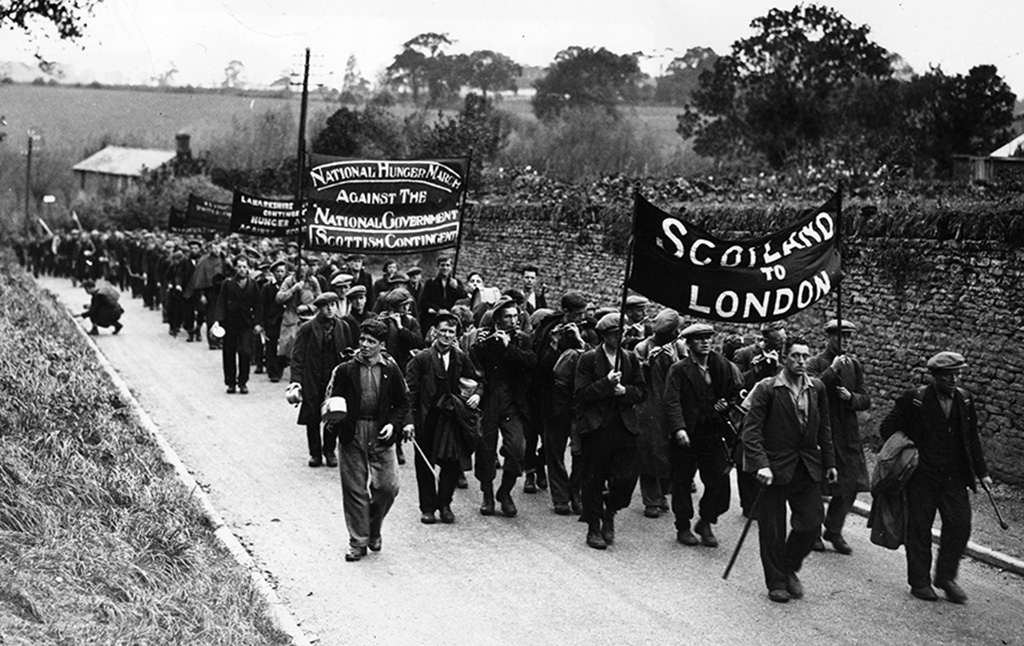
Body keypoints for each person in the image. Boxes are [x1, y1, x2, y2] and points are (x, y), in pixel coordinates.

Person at [879, 351, 992, 604]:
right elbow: (886, 427)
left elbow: (971, 436)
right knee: (919, 528)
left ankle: (946, 577)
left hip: (954, 477)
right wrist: (910, 449)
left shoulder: (964, 400)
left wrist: (982, 472)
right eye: (948, 375)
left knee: (960, 525)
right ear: (935, 376)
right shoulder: (915, 400)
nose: (954, 380)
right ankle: (920, 582)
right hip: (922, 477)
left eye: (958, 374)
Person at [741, 336, 836, 603]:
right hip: (774, 467)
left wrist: (829, 463)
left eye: (805, 356)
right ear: (784, 359)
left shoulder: (816, 388)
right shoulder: (768, 388)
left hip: (806, 466)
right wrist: (761, 465)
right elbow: (751, 432)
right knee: (772, 528)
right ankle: (777, 581)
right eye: (795, 356)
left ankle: (789, 566)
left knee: (811, 522)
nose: (801, 361)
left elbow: (824, 428)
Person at [323, 318, 410, 562]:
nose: (364, 345)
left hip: (381, 431)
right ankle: (358, 542)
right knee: (354, 489)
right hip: (352, 431)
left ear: (381, 345)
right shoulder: (345, 369)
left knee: (388, 486)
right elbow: (332, 398)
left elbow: (403, 402)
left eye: (371, 341)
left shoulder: (391, 369)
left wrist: (393, 424)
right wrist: (333, 418)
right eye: (362, 339)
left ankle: (373, 529)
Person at [663, 322, 742, 547]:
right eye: (699, 339)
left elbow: (734, 390)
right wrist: (679, 428)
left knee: (720, 481)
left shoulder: (721, 366)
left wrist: (726, 403)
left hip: (712, 432)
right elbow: (671, 401)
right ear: (688, 344)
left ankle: (706, 520)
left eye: (708, 337)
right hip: (687, 435)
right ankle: (683, 526)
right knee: (682, 482)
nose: (706, 342)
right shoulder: (679, 370)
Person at [574, 312, 647, 550]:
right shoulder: (588, 359)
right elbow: (581, 394)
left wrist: (624, 391)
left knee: (626, 479)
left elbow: (642, 391)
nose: (620, 337)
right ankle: (594, 526)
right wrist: (606, 384)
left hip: (624, 426)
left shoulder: (630, 358)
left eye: (622, 333)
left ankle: (611, 509)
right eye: (615, 334)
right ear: (603, 335)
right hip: (597, 428)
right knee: (593, 478)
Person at [404, 311, 481, 525]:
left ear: (456, 335)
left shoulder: (461, 358)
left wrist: (476, 395)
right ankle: (428, 508)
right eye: (443, 331)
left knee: (452, 462)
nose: (447, 335)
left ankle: (445, 504)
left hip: (452, 419)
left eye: (451, 332)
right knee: (424, 463)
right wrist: (409, 421)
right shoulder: (421, 359)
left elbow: (477, 380)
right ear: (434, 332)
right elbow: (409, 393)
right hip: (427, 419)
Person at [805, 318, 872, 554]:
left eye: (849, 337)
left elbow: (865, 398)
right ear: (829, 337)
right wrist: (832, 370)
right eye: (841, 337)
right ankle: (812, 531)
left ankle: (833, 529)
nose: (845, 342)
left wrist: (851, 397)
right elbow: (811, 389)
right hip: (822, 430)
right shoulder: (815, 362)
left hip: (848, 433)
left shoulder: (853, 365)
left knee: (851, 484)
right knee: (816, 484)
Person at [471, 298, 537, 517]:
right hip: (490, 398)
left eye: (515, 316)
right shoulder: (485, 338)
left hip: (513, 401)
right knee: (486, 449)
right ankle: (487, 494)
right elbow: (475, 367)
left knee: (517, 448)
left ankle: (505, 492)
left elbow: (531, 362)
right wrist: (479, 345)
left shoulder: (522, 339)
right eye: (507, 317)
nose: (512, 321)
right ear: (497, 319)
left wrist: (509, 347)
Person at [633, 308, 687, 519]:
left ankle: (662, 493)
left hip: (672, 405)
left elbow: (687, 373)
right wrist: (647, 364)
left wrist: (675, 360)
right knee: (649, 452)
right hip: (649, 406)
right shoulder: (643, 347)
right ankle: (651, 499)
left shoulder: (679, 347)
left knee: (670, 453)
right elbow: (636, 377)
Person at [289, 292, 353, 467]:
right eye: (326, 306)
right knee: (312, 416)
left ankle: (330, 450)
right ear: (319, 308)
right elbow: (298, 356)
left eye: (333, 304)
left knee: (334, 414)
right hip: (313, 378)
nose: (331, 308)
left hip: (334, 379)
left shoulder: (343, 327)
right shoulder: (308, 328)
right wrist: (296, 381)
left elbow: (348, 355)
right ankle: (315, 453)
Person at [733, 320, 788, 517]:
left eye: (781, 343)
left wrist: (776, 367)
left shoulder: (781, 358)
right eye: (776, 343)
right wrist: (757, 369)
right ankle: (748, 504)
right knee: (744, 454)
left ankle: (761, 500)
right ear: (765, 340)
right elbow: (736, 382)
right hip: (747, 411)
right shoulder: (745, 354)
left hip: (772, 412)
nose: (779, 347)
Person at [214, 255, 263, 394]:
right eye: (239, 266)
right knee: (229, 353)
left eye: (244, 267)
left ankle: (243, 382)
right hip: (230, 324)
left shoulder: (252, 284)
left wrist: (258, 323)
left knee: (246, 352)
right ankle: (230, 383)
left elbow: (258, 305)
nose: (242, 270)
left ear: (248, 268)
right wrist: (218, 320)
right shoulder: (227, 283)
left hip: (246, 324)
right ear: (235, 267)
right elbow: (221, 303)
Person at [419, 255, 468, 333]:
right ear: (438, 267)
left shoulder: (455, 282)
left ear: (451, 268)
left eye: (447, 265)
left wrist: (457, 287)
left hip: (450, 318)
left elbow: (464, 296)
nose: (445, 268)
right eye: (442, 265)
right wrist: (438, 309)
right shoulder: (431, 283)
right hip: (434, 317)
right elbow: (423, 302)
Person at [260, 261, 289, 382]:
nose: (280, 274)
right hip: (272, 320)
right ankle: (272, 371)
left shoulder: (288, 285)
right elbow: (262, 305)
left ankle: (279, 368)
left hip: (285, 319)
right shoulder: (267, 287)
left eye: (282, 271)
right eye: (277, 271)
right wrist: (262, 322)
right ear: (273, 273)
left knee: (283, 344)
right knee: (271, 345)